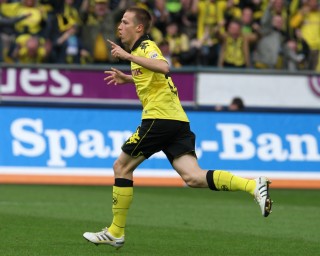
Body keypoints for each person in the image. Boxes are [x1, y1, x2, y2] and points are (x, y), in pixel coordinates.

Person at [83, 7, 273, 249]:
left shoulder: (144, 48)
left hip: (159, 120)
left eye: (125, 22)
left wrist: (128, 57)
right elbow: (156, 77)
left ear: (139, 28)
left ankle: (116, 232)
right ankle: (252, 185)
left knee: (121, 166)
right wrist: (128, 78)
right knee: (193, 177)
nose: (119, 26)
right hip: (177, 120)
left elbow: (163, 67)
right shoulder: (140, 52)